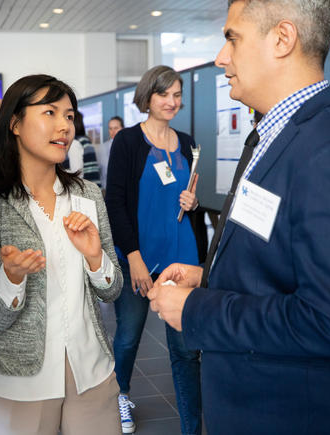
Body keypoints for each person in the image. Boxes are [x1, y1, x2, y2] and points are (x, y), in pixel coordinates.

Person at [148, 0, 330, 433]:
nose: (221, 57)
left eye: (233, 37)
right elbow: (283, 257)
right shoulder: (280, 135)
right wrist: (211, 278)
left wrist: (200, 309)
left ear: (282, 39)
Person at [0, 74, 123, 435]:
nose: (64, 126)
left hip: (90, 372)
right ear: (14, 123)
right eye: (50, 112)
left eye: (69, 115)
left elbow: (112, 291)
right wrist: (13, 278)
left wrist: (96, 260)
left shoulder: (88, 195)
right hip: (19, 381)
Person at [105, 65, 203, 435]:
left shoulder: (188, 141)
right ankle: (121, 395)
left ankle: (192, 427)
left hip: (181, 258)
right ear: (148, 97)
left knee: (184, 349)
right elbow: (114, 202)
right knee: (129, 335)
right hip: (139, 256)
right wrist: (133, 258)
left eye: (177, 95)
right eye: (165, 94)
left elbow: (185, 199)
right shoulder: (129, 142)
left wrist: (192, 203)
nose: (172, 102)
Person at [64, 111, 101, 186]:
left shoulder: (74, 143)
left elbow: (76, 174)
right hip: (92, 188)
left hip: (84, 191)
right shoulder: (85, 140)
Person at [99, 116, 124, 191]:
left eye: (116, 128)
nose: (113, 131)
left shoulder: (129, 146)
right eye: (110, 128)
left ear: (123, 128)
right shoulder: (102, 147)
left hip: (124, 188)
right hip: (107, 189)